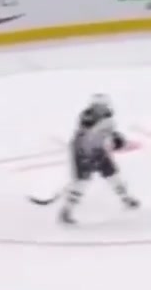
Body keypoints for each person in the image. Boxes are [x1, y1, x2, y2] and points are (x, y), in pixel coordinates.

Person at [58, 94, 139, 224]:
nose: (103, 109)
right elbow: (89, 137)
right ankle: (67, 210)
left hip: (98, 150)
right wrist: (88, 157)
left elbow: (106, 134)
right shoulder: (88, 118)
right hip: (82, 152)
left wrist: (115, 138)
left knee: (113, 175)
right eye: (100, 107)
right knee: (82, 182)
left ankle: (126, 199)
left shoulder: (105, 117)